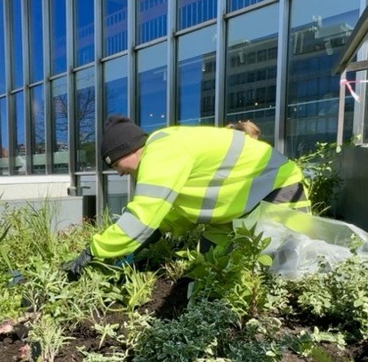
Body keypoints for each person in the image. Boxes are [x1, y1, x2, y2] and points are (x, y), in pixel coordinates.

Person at [63, 116, 310, 277]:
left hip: (279, 191)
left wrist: (92, 251)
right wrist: (154, 233)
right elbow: (175, 214)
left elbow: (141, 216)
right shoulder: (166, 149)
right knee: (208, 271)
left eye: (116, 163)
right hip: (237, 208)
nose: (118, 172)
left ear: (130, 149)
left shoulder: (161, 153)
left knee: (284, 273)